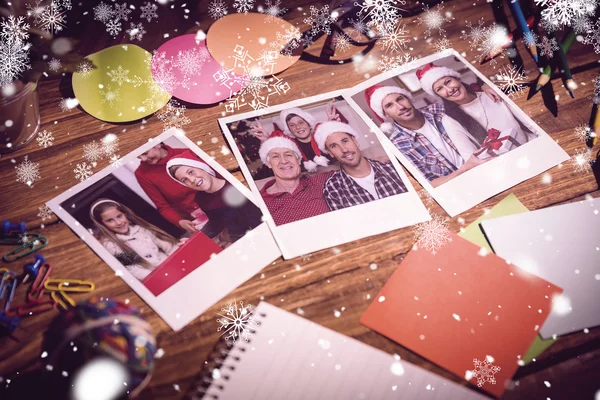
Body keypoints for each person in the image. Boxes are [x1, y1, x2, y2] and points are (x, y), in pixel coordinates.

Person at [365, 85, 487, 188]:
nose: (400, 107)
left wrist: (485, 88)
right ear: (385, 114)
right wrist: (465, 169)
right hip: (460, 188)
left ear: (409, 99)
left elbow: (475, 103)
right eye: (389, 106)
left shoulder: (439, 109)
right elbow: (429, 183)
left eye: (400, 99)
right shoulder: (398, 144)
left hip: (487, 166)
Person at [417, 62, 537, 160]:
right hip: (507, 163)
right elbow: (470, 156)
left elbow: (529, 123)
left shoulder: (490, 93)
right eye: (440, 89)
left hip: (532, 145)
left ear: (457, 79)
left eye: (448, 82)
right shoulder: (449, 120)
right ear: (439, 95)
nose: (449, 89)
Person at [166, 150, 263, 244]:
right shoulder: (201, 199)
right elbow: (215, 223)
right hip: (241, 240)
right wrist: (192, 241)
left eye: (191, 172)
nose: (192, 180)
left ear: (202, 167)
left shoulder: (235, 182)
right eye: (184, 180)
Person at [312, 121, 407, 210]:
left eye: (345, 141)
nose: (344, 150)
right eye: (334, 146)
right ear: (330, 153)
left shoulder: (392, 168)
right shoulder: (333, 187)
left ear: (355, 141)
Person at [90, 199, 192, 281]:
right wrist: (165, 278)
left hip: (175, 267)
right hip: (158, 279)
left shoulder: (141, 229)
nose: (118, 222)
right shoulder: (112, 245)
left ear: (124, 214)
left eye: (119, 216)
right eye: (110, 220)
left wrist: (181, 262)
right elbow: (137, 271)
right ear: (102, 224)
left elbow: (169, 246)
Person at [258, 136, 333, 225]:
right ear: (269, 164)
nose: (284, 161)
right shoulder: (261, 202)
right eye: (275, 156)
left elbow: (349, 171)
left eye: (288, 155)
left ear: (298, 160)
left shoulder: (320, 181)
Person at [248, 106, 342, 171]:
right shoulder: (289, 146)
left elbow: (339, 148)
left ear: (308, 124)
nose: (298, 127)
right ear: (289, 130)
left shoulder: (322, 136)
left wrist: (333, 127)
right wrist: (267, 140)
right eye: (292, 125)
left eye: (301, 122)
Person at [135, 143, 201, 234]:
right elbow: (162, 206)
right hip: (197, 217)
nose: (143, 159)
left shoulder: (187, 153)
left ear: (157, 144)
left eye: (145, 153)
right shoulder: (142, 174)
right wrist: (180, 221)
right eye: (138, 157)